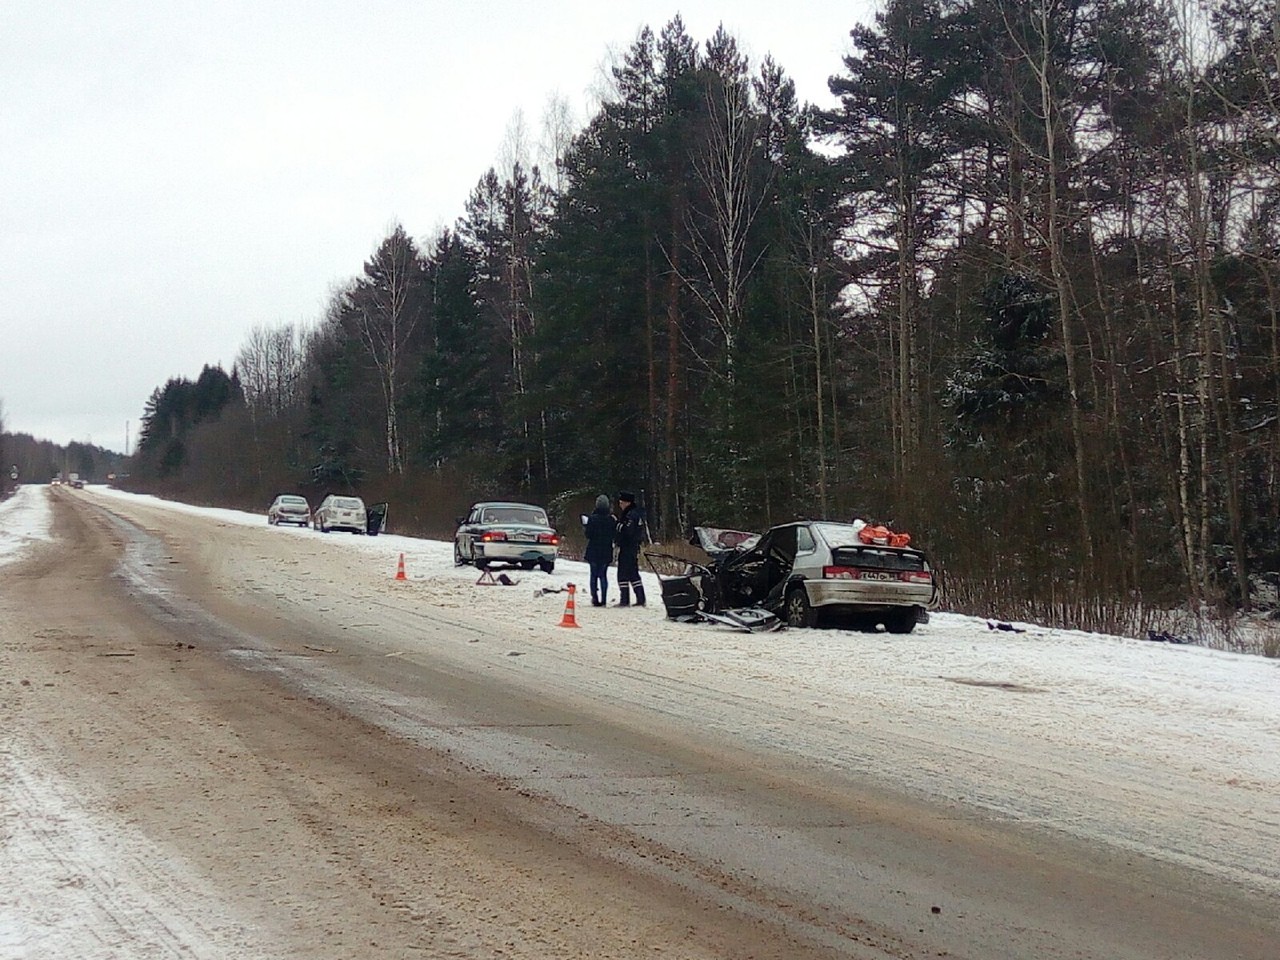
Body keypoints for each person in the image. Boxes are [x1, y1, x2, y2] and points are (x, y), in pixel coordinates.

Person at [613, 490, 647, 607]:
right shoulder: (636, 514)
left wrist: (617, 525)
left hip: (628, 547)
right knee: (633, 573)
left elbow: (628, 531)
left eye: (622, 502)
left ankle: (624, 599)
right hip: (633, 547)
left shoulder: (631, 515)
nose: (620, 505)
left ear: (627, 503)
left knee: (623, 573)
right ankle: (641, 598)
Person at [582, 494, 615, 607]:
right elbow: (614, 535)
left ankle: (594, 597)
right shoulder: (611, 519)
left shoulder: (592, 519)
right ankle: (604, 599)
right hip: (606, 550)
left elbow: (588, 535)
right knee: (603, 575)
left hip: (594, 550)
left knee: (593, 575)